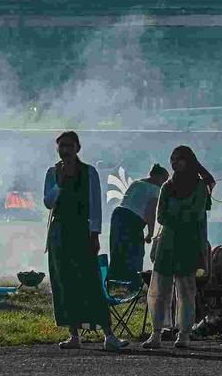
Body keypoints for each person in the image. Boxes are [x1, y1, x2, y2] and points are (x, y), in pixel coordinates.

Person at [42, 130, 124, 351]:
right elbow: (48, 203)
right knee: (64, 282)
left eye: (69, 145)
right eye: (61, 146)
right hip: (59, 232)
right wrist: (59, 182)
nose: (65, 150)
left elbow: (95, 205)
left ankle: (108, 334)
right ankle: (73, 334)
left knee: (90, 281)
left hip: (81, 230)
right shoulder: (52, 172)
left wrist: (94, 234)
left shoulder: (89, 172)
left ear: (77, 147)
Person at [145, 145, 214, 349]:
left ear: (189, 161)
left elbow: (196, 214)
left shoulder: (200, 187)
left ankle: (184, 333)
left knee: (186, 290)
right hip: (167, 242)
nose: (175, 163)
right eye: (173, 159)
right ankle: (157, 332)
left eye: (179, 159)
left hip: (188, 243)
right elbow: (161, 216)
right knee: (159, 290)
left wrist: (177, 215)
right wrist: (180, 215)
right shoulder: (167, 186)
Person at [112, 164, 167, 282]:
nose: (164, 184)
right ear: (158, 177)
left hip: (118, 215)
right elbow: (151, 212)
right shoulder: (156, 189)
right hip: (132, 220)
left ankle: (115, 282)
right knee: (135, 252)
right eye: (164, 180)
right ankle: (133, 282)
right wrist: (150, 234)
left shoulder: (137, 183)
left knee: (118, 251)